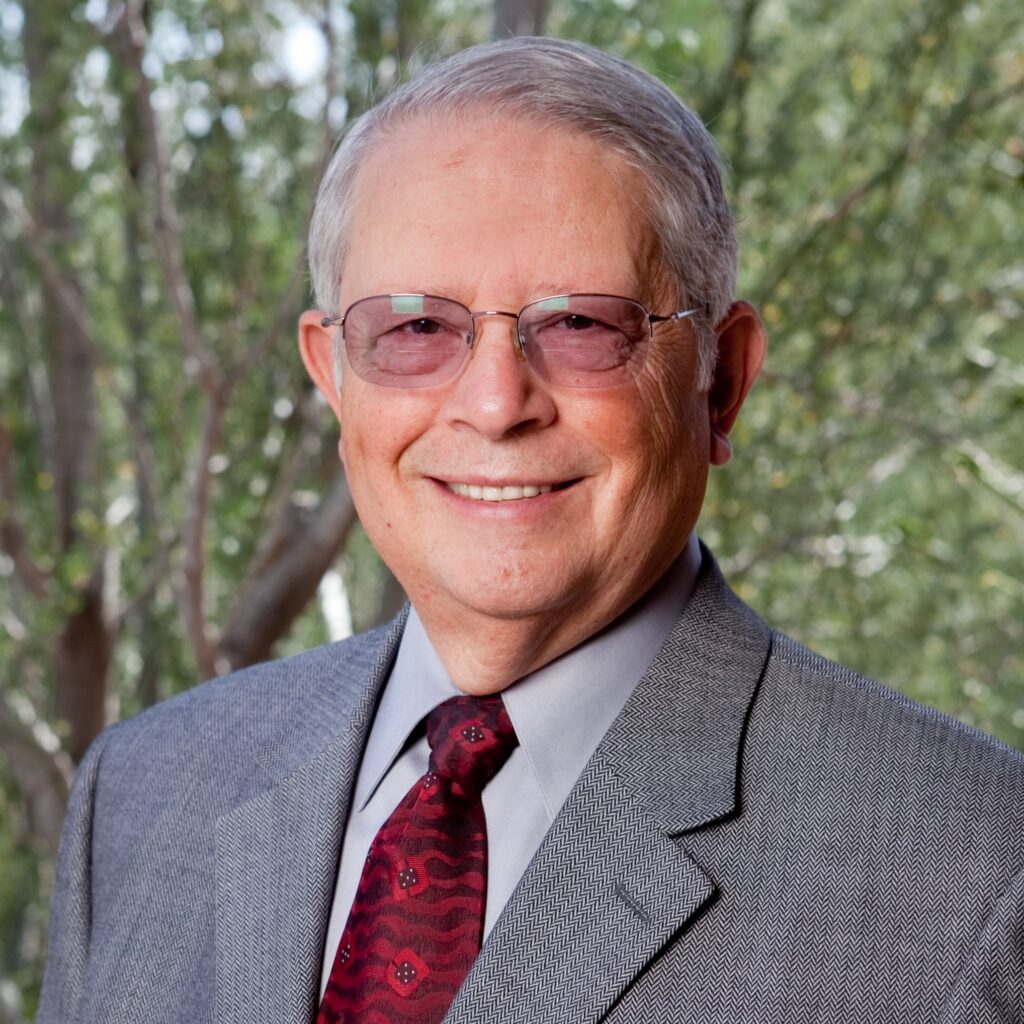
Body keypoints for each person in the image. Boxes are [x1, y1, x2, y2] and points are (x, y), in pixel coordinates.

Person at [39, 36, 1024, 1024]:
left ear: (720, 379)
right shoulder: (141, 794)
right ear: (333, 378)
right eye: (417, 328)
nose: (496, 402)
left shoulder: (977, 872)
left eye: (581, 326)